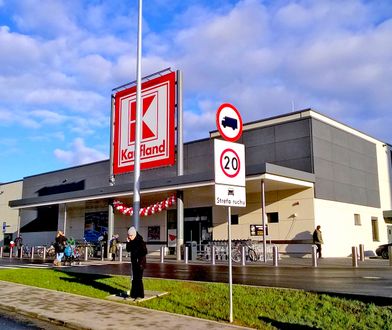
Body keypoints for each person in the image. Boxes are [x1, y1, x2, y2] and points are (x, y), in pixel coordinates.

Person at [126, 226, 147, 300]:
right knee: (134, 279)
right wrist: (128, 242)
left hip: (140, 263)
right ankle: (133, 294)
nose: (129, 237)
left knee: (138, 279)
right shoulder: (131, 241)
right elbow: (128, 250)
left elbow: (144, 251)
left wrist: (138, 255)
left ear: (134, 234)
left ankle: (140, 295)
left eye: (130, 236)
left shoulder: (140, 241)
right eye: (128, 236)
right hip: (134, 263)